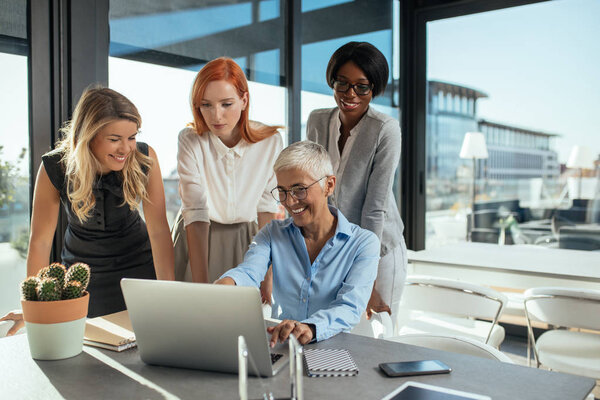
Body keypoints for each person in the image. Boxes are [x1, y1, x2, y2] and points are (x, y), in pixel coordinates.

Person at [3, 87, 175, 326]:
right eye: (114, 139)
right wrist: (33, 306)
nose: (125, 148)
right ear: (88, 135)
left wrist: (170, 292)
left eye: (132, 137)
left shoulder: (145, 157)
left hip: (139, 271)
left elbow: (158, 231)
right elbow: (40, 241)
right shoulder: (56, 166)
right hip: (81, 279)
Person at [215, 141, 379, 345]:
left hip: (335, 350)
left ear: (328, 185)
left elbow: (350, 306)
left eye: (299, 189)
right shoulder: (272, 233)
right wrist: (224, 286)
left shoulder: (364, 243)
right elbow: (249, 272)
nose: (289, 201)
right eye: (282, 191)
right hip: (282, 347)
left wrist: (310, 327)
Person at [305, 41, 408, 320]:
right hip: (335, 250)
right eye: (342, 83)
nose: (350, 94)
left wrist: (368, 284)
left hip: (379, 253)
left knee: (379, 339)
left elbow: (374, 208)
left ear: (374, 88)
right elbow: (313, 189)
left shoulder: (385, 130)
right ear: (333, 82)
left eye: (362, 86)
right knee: (334, 338)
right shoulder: (317, 121)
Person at [173, 57, 283, 285]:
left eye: (226, 104)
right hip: (196, 238)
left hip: (248, 241)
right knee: (191, 313)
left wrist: (267, 275)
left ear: (244, 100)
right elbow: (195, 211)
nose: (216, 116)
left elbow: (266, 209)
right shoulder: (190, 140)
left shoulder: (270, 142)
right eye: (206, 105)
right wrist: (200, 283)